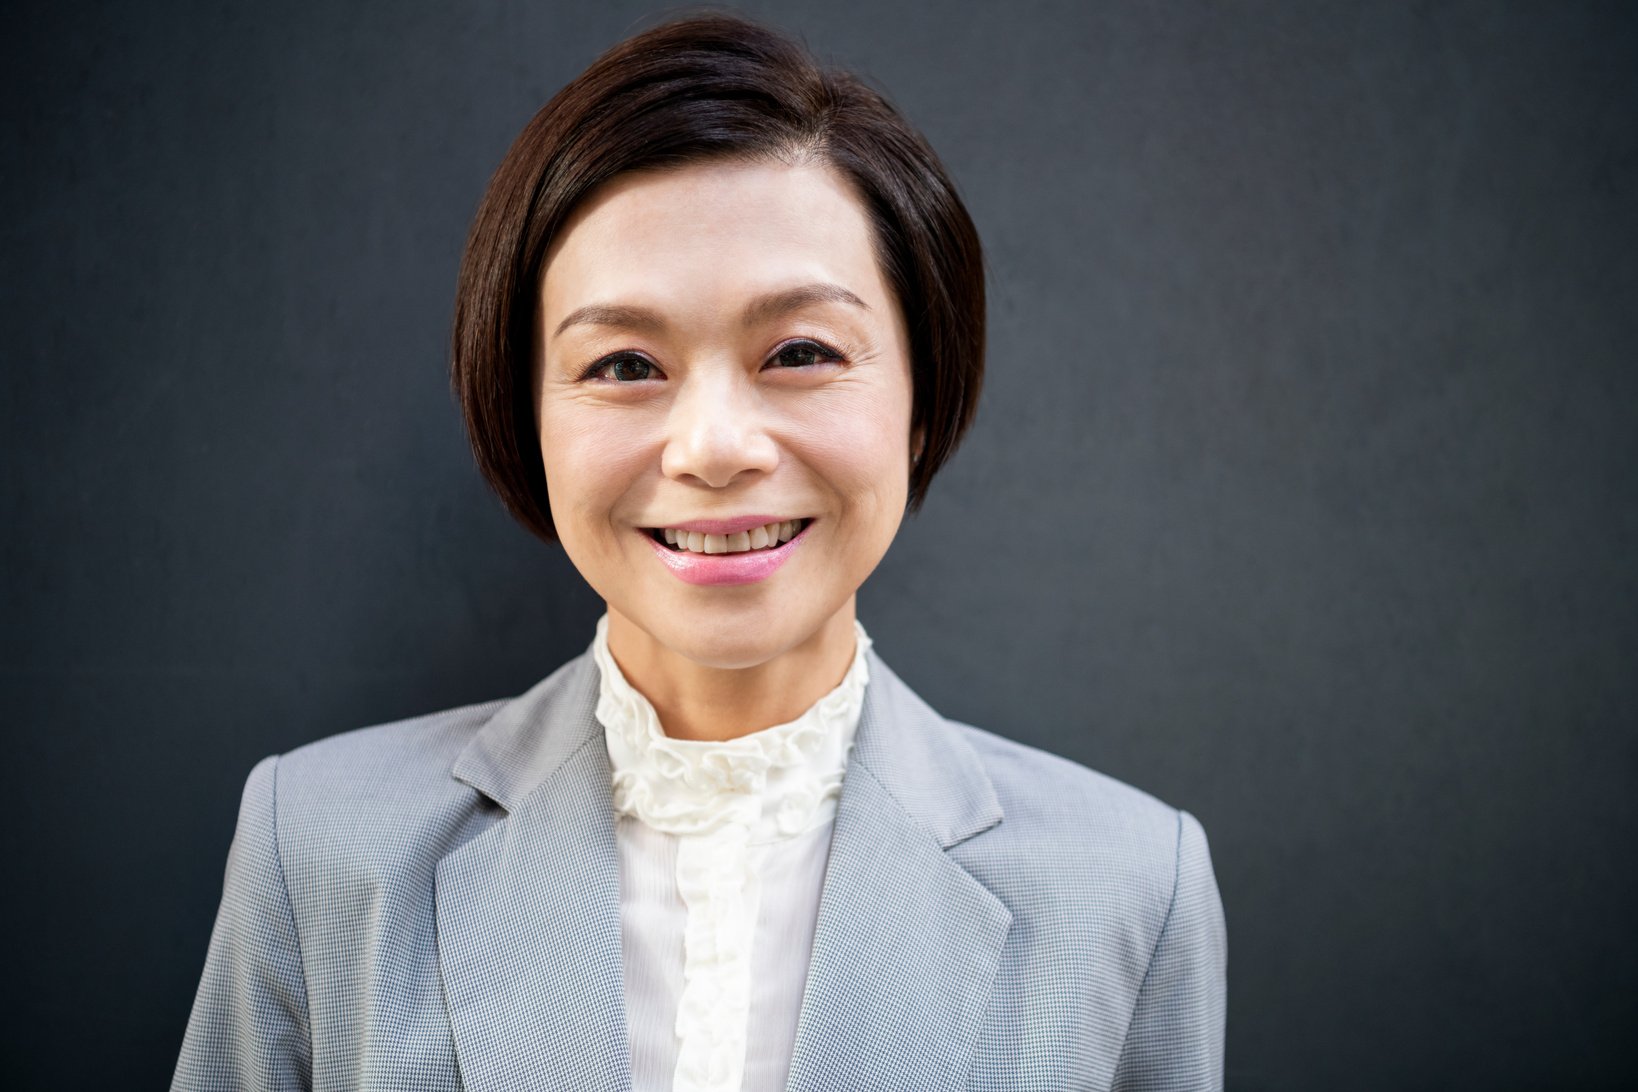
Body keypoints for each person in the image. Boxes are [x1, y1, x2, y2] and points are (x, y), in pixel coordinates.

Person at [173, 12, 1226, 1092]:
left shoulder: (1131, 890)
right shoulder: (319, 852)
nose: (715, 448)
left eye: (802, 352)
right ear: (524, 415)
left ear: (921, 398)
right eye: (624, 365)